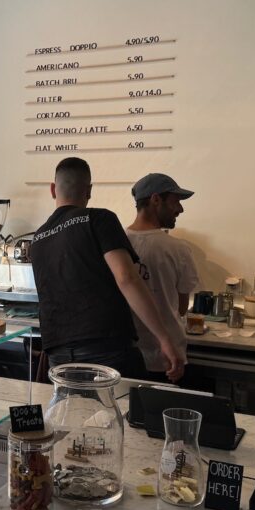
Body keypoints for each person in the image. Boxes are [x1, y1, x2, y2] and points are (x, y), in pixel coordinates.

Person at [30, 157, 184, 381]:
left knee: (74, 415)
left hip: (58, 355)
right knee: (123, 414)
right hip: (105, 351)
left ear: (53, 190)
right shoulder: (100, 219)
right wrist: (164, 338)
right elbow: (126, 278)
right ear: (89, 190)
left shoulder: (38, 238)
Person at [125, 173, 199, 384]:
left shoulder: (115, 245)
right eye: (175, 202)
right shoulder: (178, 249)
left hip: (127, 358)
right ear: (155, 199)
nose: (180, 209)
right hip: (166, 360)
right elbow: (182, 307)